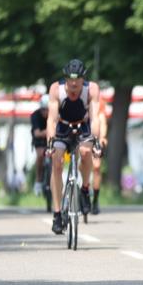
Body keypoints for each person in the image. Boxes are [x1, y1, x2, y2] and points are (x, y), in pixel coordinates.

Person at [46, 59, 103, 234]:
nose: (73, 83)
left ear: (82, 79)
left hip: (82, 126)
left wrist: (96, 142)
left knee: (86, 153)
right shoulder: (56, 89)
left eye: (77, 79)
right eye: (70, 79)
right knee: (57, 162)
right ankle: (57, 213)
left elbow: (94, 118)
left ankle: (85, 189)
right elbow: (51, 119)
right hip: (62, 127)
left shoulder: (91, 89)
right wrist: (50, 143)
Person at [88, 89, 109, 214]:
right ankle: (80, 190)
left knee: (96, 167)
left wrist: (102, 138)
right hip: (80, 135)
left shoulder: (99, 102)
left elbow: (103, 120)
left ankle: (95, 200)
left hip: (94, 137)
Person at [31, 94, 49, 195]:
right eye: (43, 110)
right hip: (40, 140)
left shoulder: (55, 114)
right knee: (40, 155)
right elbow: (37, 133)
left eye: (47, 109)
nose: (45, 112)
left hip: (52, 139)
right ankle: (38, 180)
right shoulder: (35, 116)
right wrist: (49, 131)